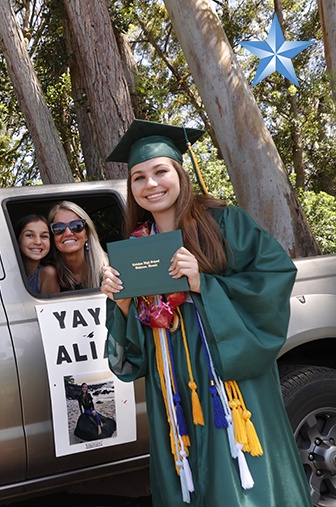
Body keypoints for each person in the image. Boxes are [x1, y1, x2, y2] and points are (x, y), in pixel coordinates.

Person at [100, 119, 310, 506]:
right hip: (173, 386)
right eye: (138, 177)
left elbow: (275, 276)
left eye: (160, 171)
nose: (151, 184)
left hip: (229, 380)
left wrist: (203, 284)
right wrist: (121, 301)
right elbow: (129, 357)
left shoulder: (225, 222)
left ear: (180, 172)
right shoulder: (135, 250)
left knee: (241, 475)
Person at [47, 201, 107, 291]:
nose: (68, 233)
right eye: (59, 228)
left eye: (76, 225)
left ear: (86, 234)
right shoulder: (47, 274)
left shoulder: (108, 268)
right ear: (52, 236)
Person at [13, 214, 60, 294]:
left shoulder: (48, 273)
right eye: (30, 235)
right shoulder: (3, 272)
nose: (38, 242)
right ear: (17, 239)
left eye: (44, 236)